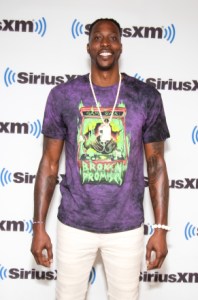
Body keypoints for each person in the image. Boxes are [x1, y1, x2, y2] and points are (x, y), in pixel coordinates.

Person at [31, 18, 170, 300]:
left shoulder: (145, 96)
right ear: (88, 46)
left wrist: (161, 229)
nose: (105, 43)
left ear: (120, 45)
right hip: (73, 224)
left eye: (111, 37)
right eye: (97, 38)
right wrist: (38, 228)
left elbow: (156, 165)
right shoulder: (63, 96)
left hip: (127, 227)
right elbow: (48, 163)